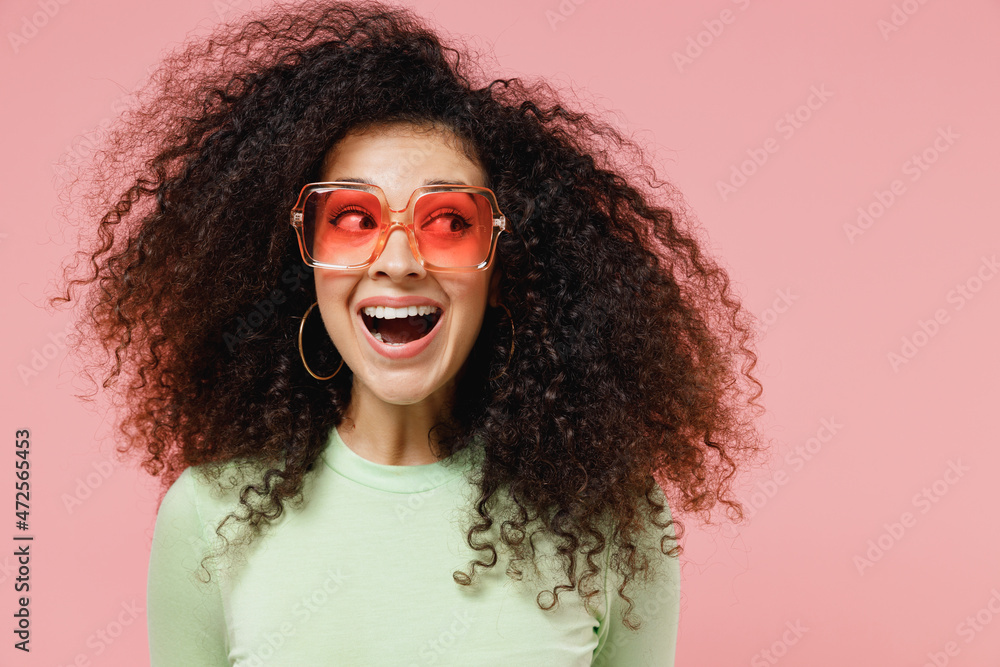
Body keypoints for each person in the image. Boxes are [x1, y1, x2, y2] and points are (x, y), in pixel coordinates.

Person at [52, 1, 765, 664]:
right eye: (354, 219)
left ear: (504, 261)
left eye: (450, 222)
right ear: (302, 254)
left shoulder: (613, 518)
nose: (398, 260)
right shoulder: (208, 518)